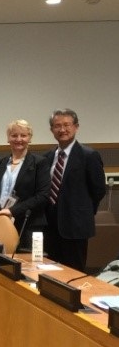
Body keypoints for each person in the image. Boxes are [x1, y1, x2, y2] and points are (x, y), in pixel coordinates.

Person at [44, 109, 106, 271]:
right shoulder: (48, 157)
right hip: (50, 226)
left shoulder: (89, 155)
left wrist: (83, 212)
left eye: (67, 125)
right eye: (57, 126)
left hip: (75, 226)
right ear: (51, 130)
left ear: (76, 127)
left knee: (73, 273)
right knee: (49, 273)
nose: (62, 129)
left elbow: (99, 190)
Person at [0, 119, 50, 250]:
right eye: (14, 135)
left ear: (29, 138)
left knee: (26, 262)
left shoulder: (39, 163)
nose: (18, 139)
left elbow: (43, 196)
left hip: (29, 224)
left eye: (23, 135)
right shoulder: (1, 163)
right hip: (1, 222)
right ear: (8, 138)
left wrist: (12, 211)